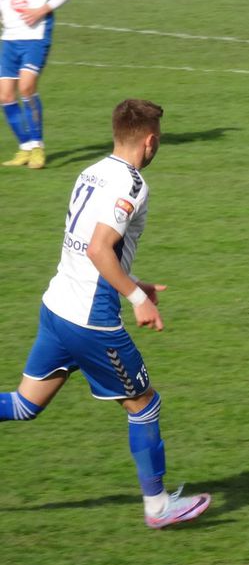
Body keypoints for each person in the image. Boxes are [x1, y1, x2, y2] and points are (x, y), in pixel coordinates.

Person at [0, 99, 212, 529]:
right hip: (91, 322)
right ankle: (158, 508)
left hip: (57, 305)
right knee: (144, 404)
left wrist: (133, 280)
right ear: (150, 141)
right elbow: (99, 249)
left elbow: (88, 247)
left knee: (24, 405)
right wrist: (137, 298)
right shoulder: (131, 184)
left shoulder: (91, 171)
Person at [0, 0, 71, 170]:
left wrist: (41, 10)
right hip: (10, 36)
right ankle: (25, 147)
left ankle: (38, 146)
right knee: (5, 94)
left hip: (36, 35)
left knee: (26, 87)